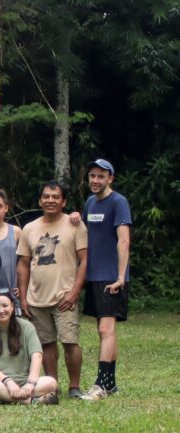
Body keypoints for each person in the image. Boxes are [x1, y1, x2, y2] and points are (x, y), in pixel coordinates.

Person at [17, 181, 88, 398]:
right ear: (40, 200)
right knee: (46, 344)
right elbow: (23, 264)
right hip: (36, 297)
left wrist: (75, 291)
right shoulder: (29, 228)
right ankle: (52, 386)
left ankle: (74, 387)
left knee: (70, 342)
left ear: (63, 201)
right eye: (46, 196)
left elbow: (84, 260)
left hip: (64, 296)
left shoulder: (75, 225)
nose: (50, 200)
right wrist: (23, 297)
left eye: (55, 197)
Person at [78, 159, 131, 401]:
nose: (95, 180)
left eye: (101, 176)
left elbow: (124, 241)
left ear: (111, 178)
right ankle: (111, 384)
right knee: (105, 331)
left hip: (112, 276)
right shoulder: (90, 203)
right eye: (92, 176)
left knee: (105, 328)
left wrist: (121, 276)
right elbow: (88, 234)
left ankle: (100, 385)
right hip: (94, 276)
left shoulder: (118, 202)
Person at [0, 292, 59, 405]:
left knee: (51, 382)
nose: (1, 310)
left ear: (12, 306)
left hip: (25, 381)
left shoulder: (27, 326)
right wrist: (8, 382)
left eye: (5, 305)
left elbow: (37, 355)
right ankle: (31, 401)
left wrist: (31, 383)